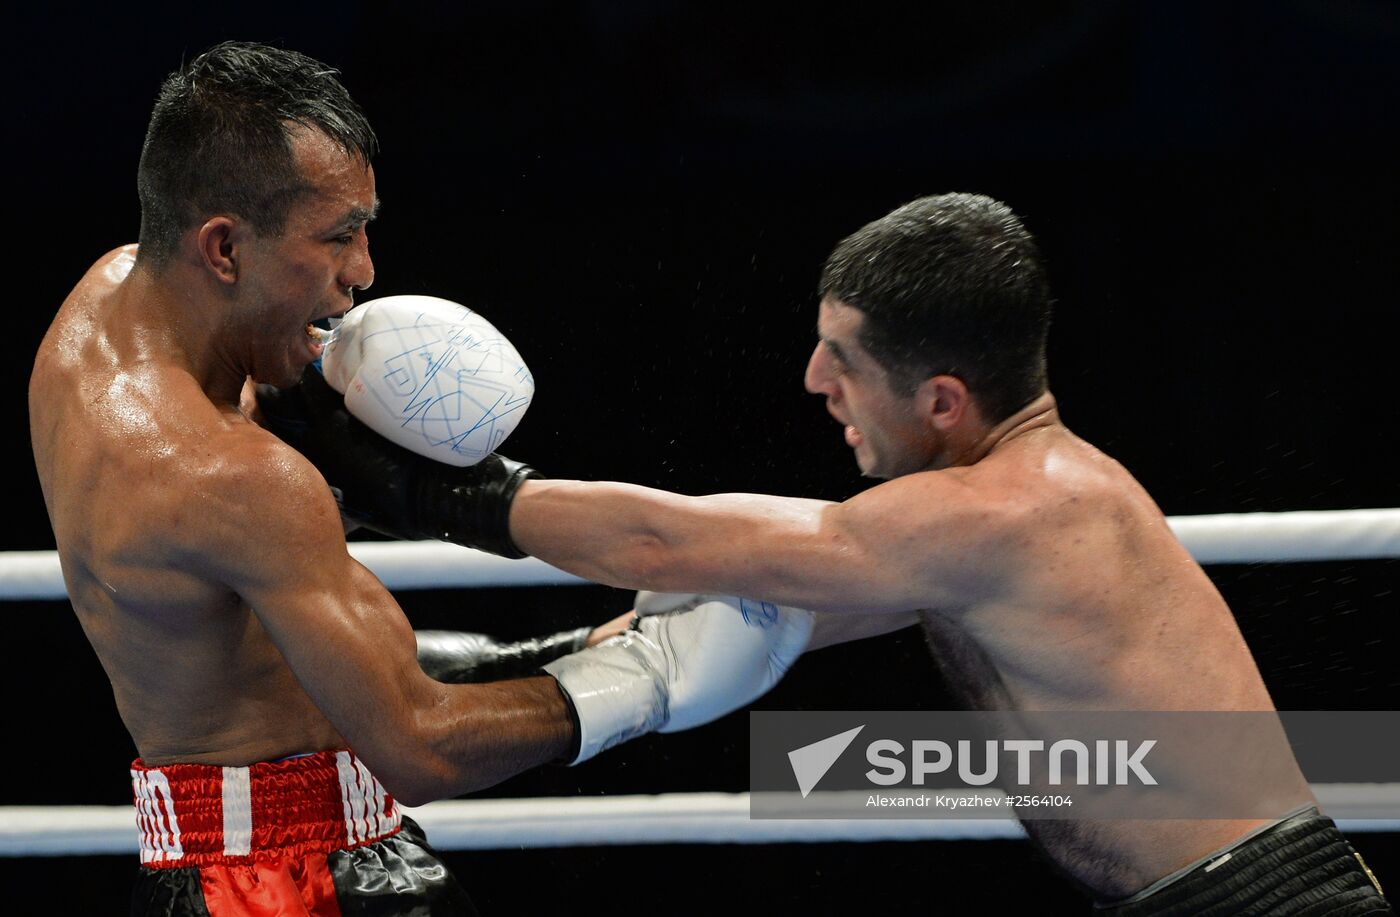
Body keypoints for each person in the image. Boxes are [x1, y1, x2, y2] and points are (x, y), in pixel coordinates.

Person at [272, 193, 1391, 914]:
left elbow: (673, 535)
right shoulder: (976, 526)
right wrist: (487, 669)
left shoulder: (1019, 507)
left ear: (941, 396)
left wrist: (438, 491)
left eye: (841, 360)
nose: (814, 384)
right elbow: (735, 602)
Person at [28, 41, 813, 916]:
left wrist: (565, 648)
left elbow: (273, 666)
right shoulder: (229, 474)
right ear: (223, 248)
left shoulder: (100, 308)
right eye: (335, 236)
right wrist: (643, 679)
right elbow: (415, 747)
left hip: (216, 860)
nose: (362, 270)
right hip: (292, 883)